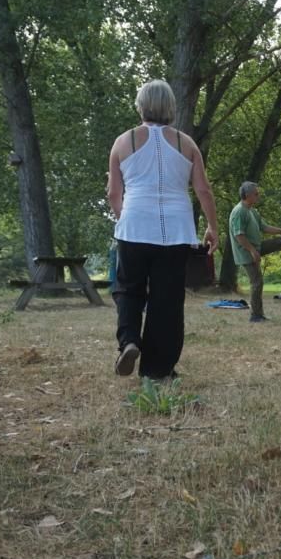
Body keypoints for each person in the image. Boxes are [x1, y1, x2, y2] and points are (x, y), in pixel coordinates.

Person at [108, 79, 219, 380]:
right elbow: (203, 191)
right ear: (171, 107)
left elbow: (113, 194)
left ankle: (129, 341)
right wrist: (212, 227)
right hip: (176, 230)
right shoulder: (187, 144)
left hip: (133, 227)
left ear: (141, 106)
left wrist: (125, 218)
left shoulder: (123, 141)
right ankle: (158, 371)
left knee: (128, 289)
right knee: (166, 301)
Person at [229, 181, 281, 322]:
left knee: (279, 242)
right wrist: (253, 252)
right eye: (256, 194)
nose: (258, 196)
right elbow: (239, 236)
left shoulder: (252, 211)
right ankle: (256, 315)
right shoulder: (239, 211)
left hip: (256, 247)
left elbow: (265, 227)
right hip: (246, 252)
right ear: (247, 195)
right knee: (257, 282)